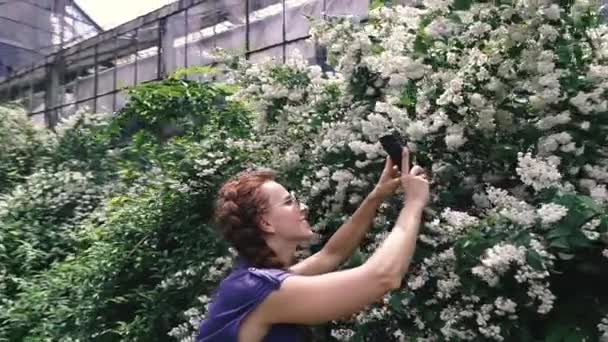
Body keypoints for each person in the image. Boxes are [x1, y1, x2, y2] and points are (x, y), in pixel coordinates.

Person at [196, 148, 430, 341]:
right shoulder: (255, 288)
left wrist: (377, 195)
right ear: (266, 222)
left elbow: (330, 255)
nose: (303, 207)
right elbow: (382, 277)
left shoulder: (258, 280)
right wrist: (413, 203)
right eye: (289, 202)